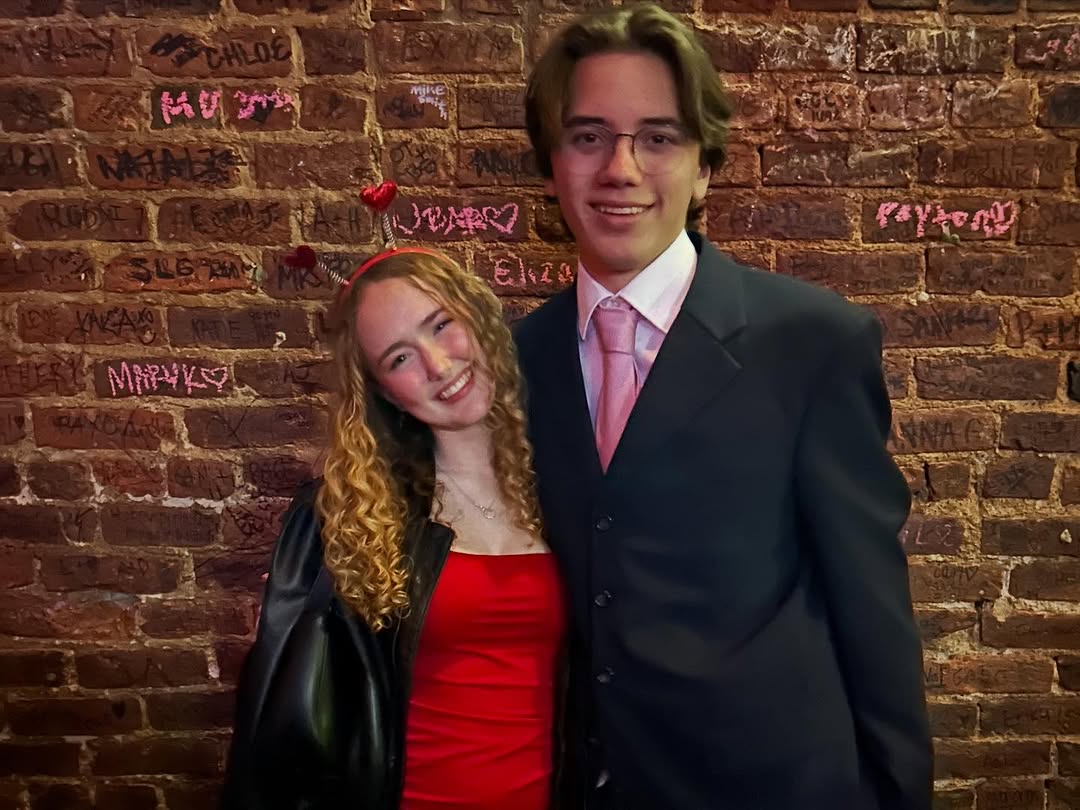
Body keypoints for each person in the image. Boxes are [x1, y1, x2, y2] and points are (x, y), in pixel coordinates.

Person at [514, 4, 933, 810]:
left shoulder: (812, 343)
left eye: (658, 138)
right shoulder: (518, 359)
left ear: (704, 167)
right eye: (588, 136)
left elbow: (871, 603)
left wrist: (895, 791)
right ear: (551, 163)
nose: (620, 169)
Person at [221, 247, 566, 810]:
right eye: (400, 357)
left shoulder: (570, 486)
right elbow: (287, 721)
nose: (438, 365)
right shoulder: (348, 521)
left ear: (478, 315)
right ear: (383, 391)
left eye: (442, 325)